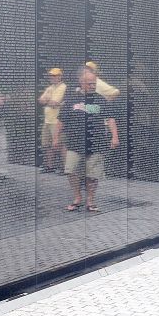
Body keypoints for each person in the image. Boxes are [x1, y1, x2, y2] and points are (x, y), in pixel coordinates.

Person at [54, 67, 119, 213]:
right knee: (71, 170)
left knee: (92, 174)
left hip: (95, 143)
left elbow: (110, 119)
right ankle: (77, 198)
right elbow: (61, 121)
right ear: (81, 83)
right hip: (74, 143)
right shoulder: (71, 99)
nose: (92, 86)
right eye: (89, 83)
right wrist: (56, 138)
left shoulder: (100, 99)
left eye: (94, 83)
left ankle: (90, 201)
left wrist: (115, 136)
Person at [38, 67, 66, 173]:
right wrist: (52, 102)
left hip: (57, 121)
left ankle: (65, 168)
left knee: (60, 145)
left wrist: (49, 101)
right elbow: (40, 100)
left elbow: (54, 102)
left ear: (60, 76)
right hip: (47, 120)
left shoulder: (63, 87)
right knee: (47, 145)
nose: (52, 77)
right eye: (51, 75)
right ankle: (49, 167)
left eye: (55, 75)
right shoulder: (50, 87)